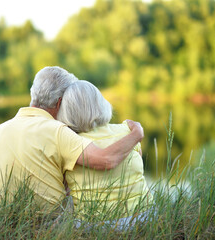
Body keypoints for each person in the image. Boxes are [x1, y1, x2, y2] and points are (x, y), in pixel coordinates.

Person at [0, 66, 144, 214]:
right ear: (61, 102)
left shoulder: (0, 130)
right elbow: (107, 159)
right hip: (49, 223)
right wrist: (136, 134)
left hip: (5, 217)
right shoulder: (57, 131)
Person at [57, 80, 154, 229]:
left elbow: (64, 189)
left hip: (94, 225)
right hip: (144, 216)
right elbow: (137, 165)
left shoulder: (70, 143)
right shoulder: (127, 131)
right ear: (101, 104)